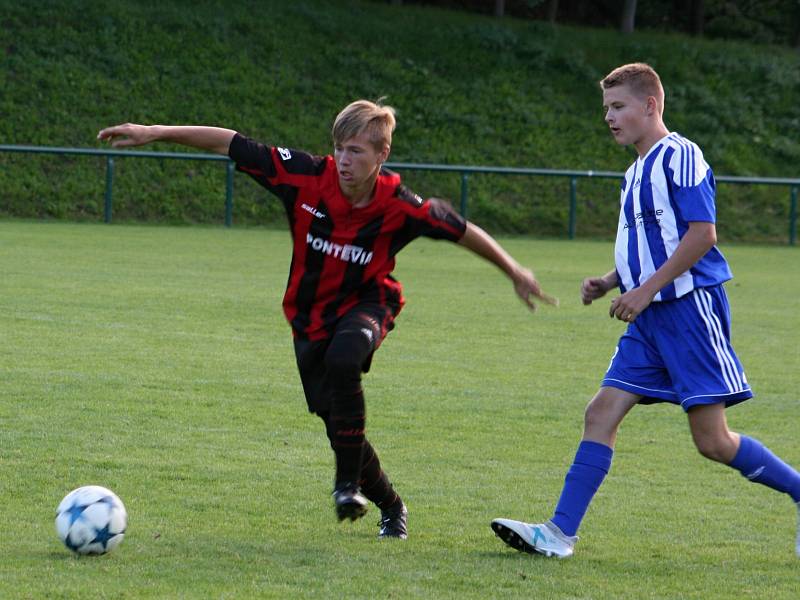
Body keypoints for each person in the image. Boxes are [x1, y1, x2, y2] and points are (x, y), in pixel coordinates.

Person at [98, 99, 556, 540]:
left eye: (355, 150)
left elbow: (460, 229)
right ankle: (391, 505)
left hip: (370, 304)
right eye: (339, 147)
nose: (343, 159)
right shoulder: (304, 176)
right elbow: (229, 143)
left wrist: (514, 269)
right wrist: (156, 132)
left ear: (382, 153)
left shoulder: (399, 203)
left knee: (345, 357)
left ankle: (345, 486)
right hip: (309, 318)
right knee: (339, 423)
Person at [491, 63, 800, 559]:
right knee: (600, 413)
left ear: (650, 106)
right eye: (606, 109)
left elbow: (703, 235)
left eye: (618, 107)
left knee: (713, 441)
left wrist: (644, 291)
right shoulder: (634, 172)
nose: (609, 118)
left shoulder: (681, 156)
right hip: (650, 316)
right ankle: (558, 534)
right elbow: (654, 242)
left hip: (687, 311)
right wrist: (611, 280)